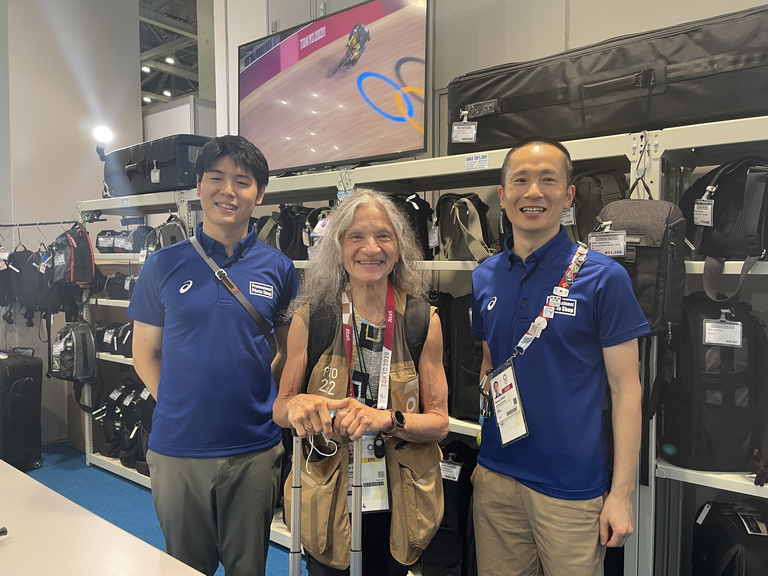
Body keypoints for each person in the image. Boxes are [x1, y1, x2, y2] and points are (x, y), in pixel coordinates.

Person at [471, 137, 649, 576]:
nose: (533, 192)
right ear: (503, 196)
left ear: (568, 196)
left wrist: (621, 494)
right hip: (496, 477)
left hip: (571, 490)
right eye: (521, 181)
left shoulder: (604, 278)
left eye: (548, 180)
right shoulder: (485, 276)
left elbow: (626, 390)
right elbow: (490, 365)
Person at [129, 135, 298, 576]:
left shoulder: (279, 268)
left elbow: (288, 350)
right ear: (199, 186)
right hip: (179, 448)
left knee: (249, 566)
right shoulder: (162, 265)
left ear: (259, 194)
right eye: (216, 178)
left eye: (242, 181)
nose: (228, 191)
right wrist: (178, 402)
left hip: (254, 449)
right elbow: (144, 354)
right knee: (185, 566)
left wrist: (260, 397)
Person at [273, 189, 449, 576]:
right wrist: (297, 405)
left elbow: (439, 423)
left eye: (383, 236)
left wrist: (386, 419)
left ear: (398, 247)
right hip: (328, 495)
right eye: (356, 236)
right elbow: (281, 408)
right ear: (338, 248)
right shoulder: (313, 317)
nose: (371, 248)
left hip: (399, 499)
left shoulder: (422, 320)